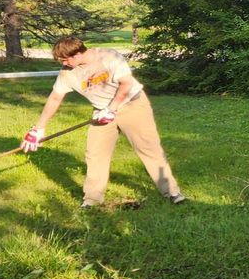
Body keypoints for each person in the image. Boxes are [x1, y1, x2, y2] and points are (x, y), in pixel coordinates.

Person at [21, 36, 186, 207]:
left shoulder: (108, 57)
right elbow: (55, 98)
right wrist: (39, 128)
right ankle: (92, 200)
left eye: (65, 60)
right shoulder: (67, 73)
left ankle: (172, 192)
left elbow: (126, 84)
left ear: (77, 54)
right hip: (101, 111)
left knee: (148, 148)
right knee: (95, 154)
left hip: (132, 105)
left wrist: (112, 108)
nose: (63, 64)